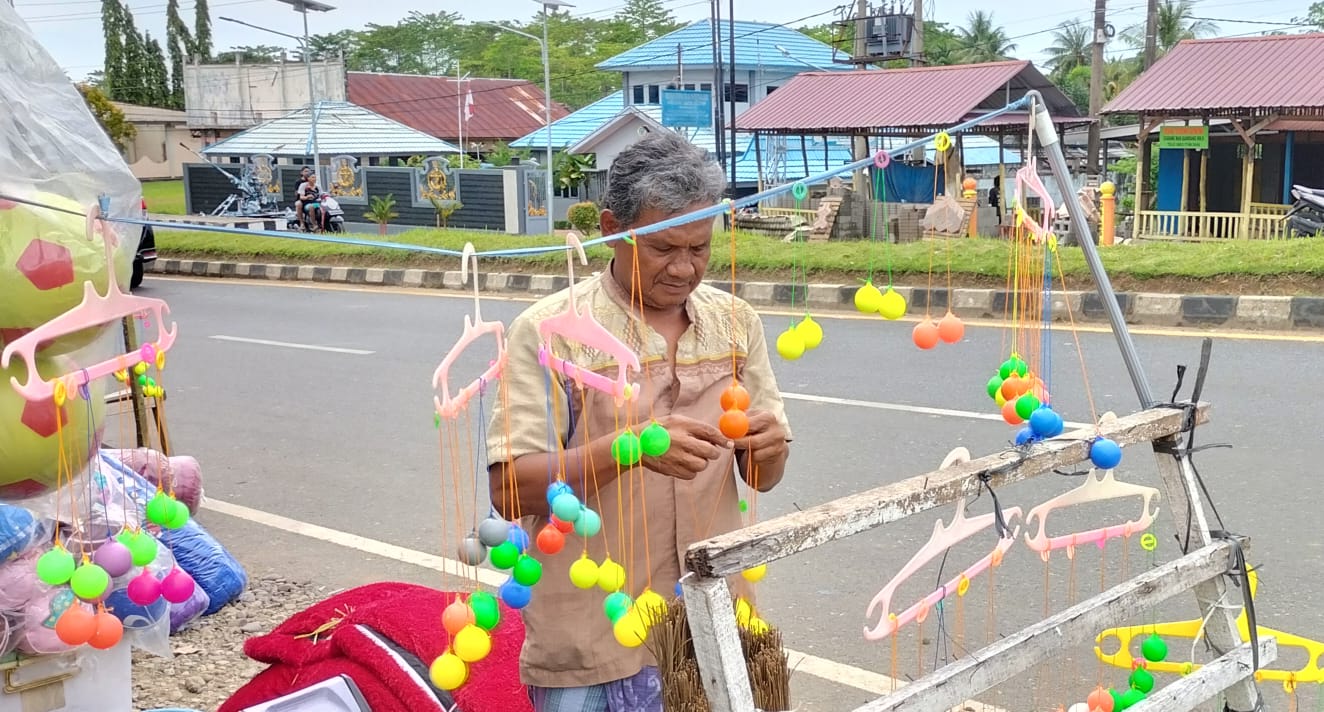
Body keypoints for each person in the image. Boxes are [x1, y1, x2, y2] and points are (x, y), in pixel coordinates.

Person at [486, 131, 792, 712]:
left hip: (714, 627)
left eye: (700, 248)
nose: (684, 268)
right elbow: (509, 489)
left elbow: (765, 476)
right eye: (663, 248)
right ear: (611, 229)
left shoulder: (735, 323)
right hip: (593, 648)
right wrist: (630, 448)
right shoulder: (552, 333)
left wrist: (770, 447)